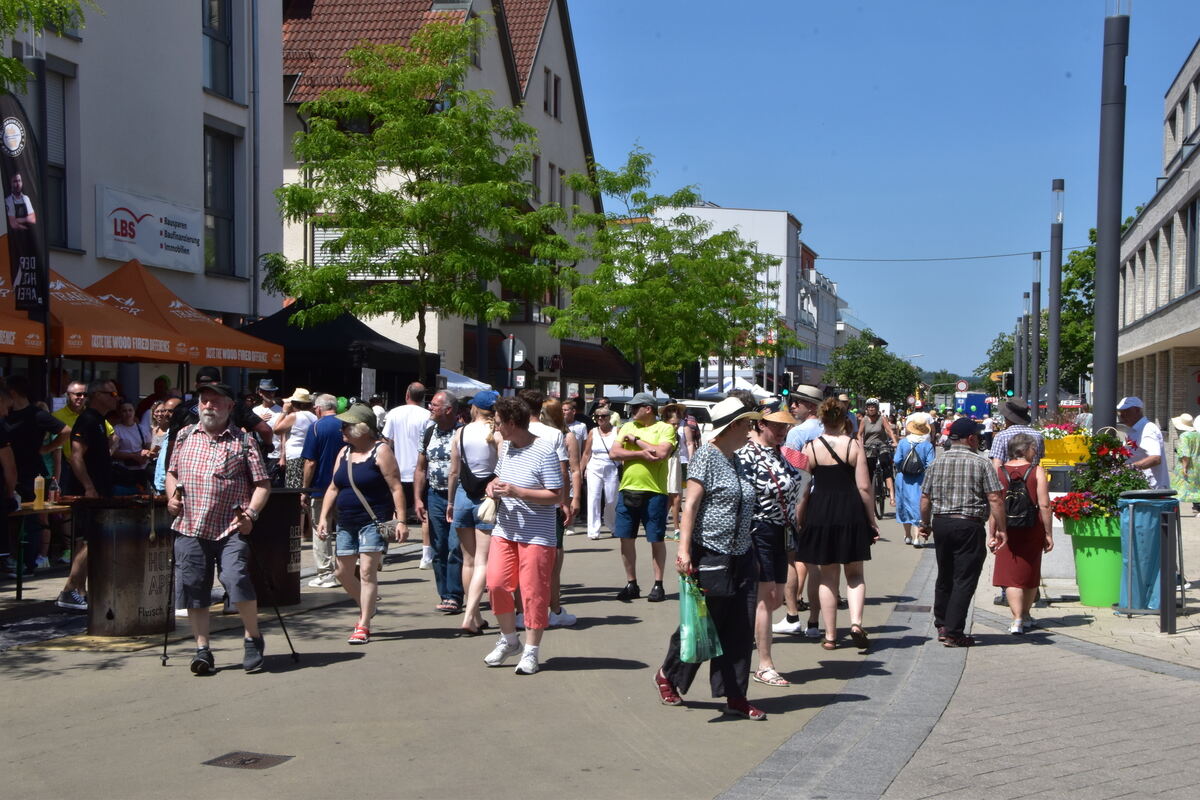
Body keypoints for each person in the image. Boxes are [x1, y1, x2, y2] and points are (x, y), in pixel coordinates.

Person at [653, 397, 764, 720]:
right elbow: (690, 505)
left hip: (741, 553)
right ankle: (668, 675)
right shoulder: (706, 456)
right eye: (746, 424)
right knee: (704, 625)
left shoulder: (738, 459)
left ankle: (735, 695)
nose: (750, 430)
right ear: (731, 426)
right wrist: (683, 549)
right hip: (711, 552)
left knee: (741, 629)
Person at [166, 381, 271, 674]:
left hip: (230, 526)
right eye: (204, 400)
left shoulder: (244, 441)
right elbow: (171, 473)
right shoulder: (185, 435)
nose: (208, 406)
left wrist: (251, 513)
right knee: (193, 589)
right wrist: (171, 497)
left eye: (215, 401)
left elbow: (262, 483)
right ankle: (202, 649)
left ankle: (252, 636)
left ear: (229, 407)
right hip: (189, 525)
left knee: (236, 578)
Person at [480, 397, 564, 675]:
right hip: (506, 529)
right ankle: (509, 639)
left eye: (498, 422)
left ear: (512, 423)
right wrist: (493, 487)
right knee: (496, 584)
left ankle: (531, 650)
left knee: (533, 593)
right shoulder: (506, 448)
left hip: (537, 535)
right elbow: (497, 478)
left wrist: (517, 492)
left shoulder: (544, 450)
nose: (495, 427)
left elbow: (556, 495)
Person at [317, 404, 407, 644]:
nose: (342, 430)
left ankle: (363, 623)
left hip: (373, 521)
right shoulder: (343, 453)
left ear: (362, 429)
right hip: (346, 521)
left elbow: (395, 486)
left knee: (367, 572)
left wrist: (401, 520)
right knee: (342, 572)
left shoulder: (381, 451)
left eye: (346, 426)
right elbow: (334, 487)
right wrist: (324, 516)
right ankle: (367, 605)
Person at [794, 399, 879, 651]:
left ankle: (830, 636)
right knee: (854, 574)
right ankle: (855, 623)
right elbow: (864, 487)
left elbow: (803, 489)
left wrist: (800, 518)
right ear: (845, 420)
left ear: (822, 419)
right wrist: (871, 520)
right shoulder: (854, 445)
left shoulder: (809, 448)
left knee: (827, 577)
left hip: (820, 512)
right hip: (850, 511)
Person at [918, 418, 1008, 648]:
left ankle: (941, 624)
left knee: (945, 574)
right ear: (970, 438)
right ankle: (954, 631)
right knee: (964, 579)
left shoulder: (937, 463)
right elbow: (995, 498)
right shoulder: (981, 463)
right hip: (968, 524)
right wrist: (1001, 529)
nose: (978, 440)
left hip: (942, 524)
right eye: (977, 437)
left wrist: (925, 524)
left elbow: (925, 498)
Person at [738, 400, 803, 688]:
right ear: (761, 424)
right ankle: (765, 664)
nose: (783, 430)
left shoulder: (782, 454)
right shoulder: (746, 455)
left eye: (785, 425)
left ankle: (743, 631)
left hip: (782, 529)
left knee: (774, 599)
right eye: (776, 425)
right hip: (758, 529)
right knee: (766, 598)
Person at [609, 392, 677, 602]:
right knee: (626, 538)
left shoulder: (664, 428)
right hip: (628, 488)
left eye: (635, 407)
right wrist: (641, 453)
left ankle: (658, 584)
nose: (631, 411)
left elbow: (661, 454)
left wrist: (637, 442)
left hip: (654, 491)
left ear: (648, 408)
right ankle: (631, 583)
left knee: (655, 538)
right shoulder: (628, 427)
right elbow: (614, 452)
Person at [447, 390, 501, 635]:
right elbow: (503, 468)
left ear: (476, 409)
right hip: (487, 498)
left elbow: (454, 471)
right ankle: (471, 615)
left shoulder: (461, 432)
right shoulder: (497, 434)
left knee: (468, 560)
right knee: (482, 561)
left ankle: (475, 615)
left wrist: (450, 501)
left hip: (462, 495)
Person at [2, 376, 67, 577]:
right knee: (11, 517)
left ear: (12, 394)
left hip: (31, 473)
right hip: (7, 471)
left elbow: (66, 431)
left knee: (30, 518)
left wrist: (46, 448)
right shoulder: (6, 416)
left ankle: (28, 564)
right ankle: (12, 558)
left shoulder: (37, 414)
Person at [523, 392, 578, 628]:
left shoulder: (511, 430)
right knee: (553, 561)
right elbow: (562, 471)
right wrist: (564, 501)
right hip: (547, 503)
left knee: (522, 561)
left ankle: (522, 612)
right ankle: (553, 610)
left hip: (519, 502)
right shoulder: (555, 434)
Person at [991, 433, 1053, 634]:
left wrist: (992, 533)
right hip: (1031, 526)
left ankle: (1016, 619)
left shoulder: (999, 472)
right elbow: (1044, 504)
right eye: (1033, 448)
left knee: (1010, 574)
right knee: (1031, 570)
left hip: (1006, 528)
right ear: (1025, 449)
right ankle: (1025, 615)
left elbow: (995, 504)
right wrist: (1048, 533)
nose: (1035, 452)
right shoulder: (1036, 471)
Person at [415, 390, 463, 613]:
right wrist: (417, 497)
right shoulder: (428, 432)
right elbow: (421, 468)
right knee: (439, 546)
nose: (430, 408)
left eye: (434, 405)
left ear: (448, 409)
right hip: (435, 496)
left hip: (460, 496)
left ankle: (454, 595)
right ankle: (444, 593)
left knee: (455, 546)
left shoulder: (463, 433)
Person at [382, 382, 432, 564]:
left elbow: (386, 441)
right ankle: (426, 556)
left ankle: (382, 552)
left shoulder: (394, 413)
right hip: (422, 471)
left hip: (397, 470)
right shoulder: (428, 415)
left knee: (389, 511)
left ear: (407, 394)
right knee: (424, 513)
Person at [301, 394, 344, 589]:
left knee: (321, 529)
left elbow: (310, 462)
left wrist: (305, 488)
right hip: (345, 487)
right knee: (345, 530)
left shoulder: (316, 427)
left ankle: (326, 573)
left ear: (318, 409)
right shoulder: (346, 424)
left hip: (320, 488)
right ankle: (347, 570)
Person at [893, 418, 936, 546]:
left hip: (903, 478)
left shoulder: (903, 443)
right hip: (920, 479)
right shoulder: (927, 445)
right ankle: (917, 537)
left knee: (904, 505)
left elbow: (896, 460)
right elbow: (931, 464)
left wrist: (903, 468)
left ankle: (907, 535)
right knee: (918, 505)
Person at [581, 405, 619, 540]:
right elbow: (586, 453)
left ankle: (612, 525)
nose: (601, 418)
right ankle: (593, 530)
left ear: (610, 417)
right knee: (593, 499)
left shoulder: (617, 431)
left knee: (611, 499)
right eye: (598, 416)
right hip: (594, 467)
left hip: (611, 467)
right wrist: (580, 471)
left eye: (604, 416)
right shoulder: (593, 432)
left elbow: (622, 451)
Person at [1116, 397, 1170, 489]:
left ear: (1137, 410)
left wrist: (1129, 467)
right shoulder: (1133, 431)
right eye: (1120, 412)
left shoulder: (1148, 429)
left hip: (1152, 489)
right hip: (1141, 486)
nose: (1122, 415)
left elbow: (1155, 458)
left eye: (1126, 412)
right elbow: (1130, 450)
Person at [273, 388, 318, 489]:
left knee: (293, 487)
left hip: (295, 456)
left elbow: (276, 429)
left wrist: (284, 411)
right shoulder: (314, 417)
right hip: (308, 454)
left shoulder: (294, 416)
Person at [859, 398, 898, 510]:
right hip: (869, 448)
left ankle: (892, 497)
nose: (871, 408)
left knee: (886, 468)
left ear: (877, 408)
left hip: (882, 446)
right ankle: (869, 497)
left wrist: (894, 441)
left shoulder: (882, 419)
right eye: (870, 407)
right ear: (867, 408)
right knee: (869, 471)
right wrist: (860, 444)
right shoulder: (864, 420)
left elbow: (889, 431)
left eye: (874, 407)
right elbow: (860, 434)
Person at [111, 400, 151, 495]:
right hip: (124, 470)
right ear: (120, 413)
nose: (128, 413)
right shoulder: (116, 430)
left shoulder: (142, 429)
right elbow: (114, 452)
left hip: (141, 469)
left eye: (130, 410)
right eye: (124, 411)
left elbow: (149, 447)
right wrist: (132, 456)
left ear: (134, 412)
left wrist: (145, 454)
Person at [990, 398, 1044, 468]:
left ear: (1007, 418)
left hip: (1008, 477)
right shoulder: (1038, 436)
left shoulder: (1001, 437)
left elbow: (996, 466)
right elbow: (1038, 462)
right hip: (1033, 477)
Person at [1170, 413, 1200, 516]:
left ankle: (1173, 509)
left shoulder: (1184, 436)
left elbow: (1185, 453)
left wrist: (1184, 467)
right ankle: (1198, 507)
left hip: (1189, 465)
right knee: (1196, 487)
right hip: (1198, 465)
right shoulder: (1198, 434)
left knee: (1178, 487)